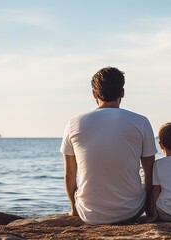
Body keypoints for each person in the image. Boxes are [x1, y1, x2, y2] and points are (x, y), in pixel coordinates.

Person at [60, 67, 157, 225]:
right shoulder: (141, 122)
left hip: (89, 215)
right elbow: (150, 173)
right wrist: (150, 209)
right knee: (144, 172)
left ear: (94, 93)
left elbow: (69, 175)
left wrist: (74, 209)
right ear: (122, 93)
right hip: (130, 212)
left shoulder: (73, 123)